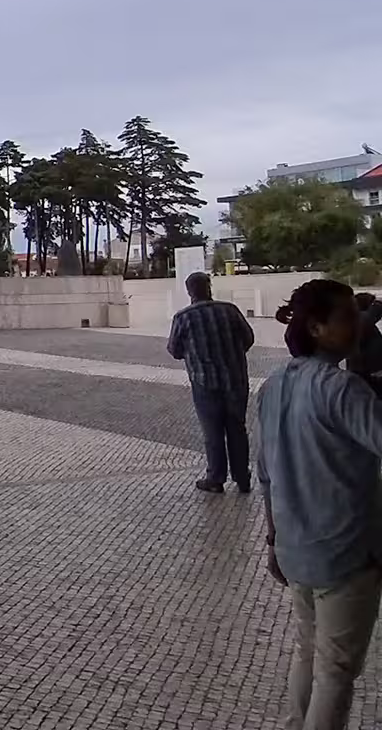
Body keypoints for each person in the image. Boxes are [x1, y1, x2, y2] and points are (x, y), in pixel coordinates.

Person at [259, 278, 382, 730]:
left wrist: (273, 539)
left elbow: (266, 472)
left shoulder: (273, 386)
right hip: (346, 553)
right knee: (336, 671)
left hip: (296, 549)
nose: (357, 326)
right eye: (347, 317)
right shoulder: (343, 391)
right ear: (316, 327)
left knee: (309, 654)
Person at [167, 271, 257, 493]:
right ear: (209, 287)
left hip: (204, 381)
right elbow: (248, 338)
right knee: (237, 428)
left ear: (189, 291)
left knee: (213, 431)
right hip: (235, 379)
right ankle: (242, 477)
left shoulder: (183, 317)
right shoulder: (230, 310)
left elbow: (174, 350)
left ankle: (216, 478)